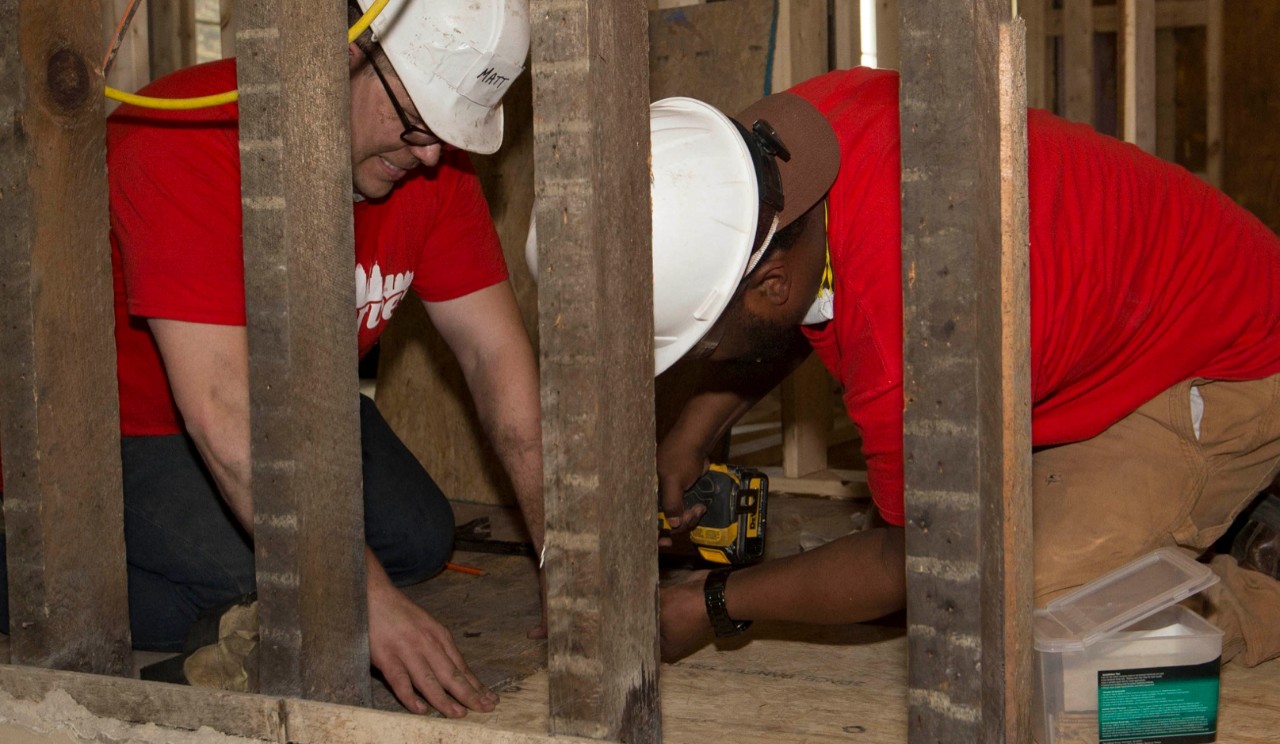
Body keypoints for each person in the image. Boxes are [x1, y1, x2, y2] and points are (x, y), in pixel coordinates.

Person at [0, 0, 542, 719]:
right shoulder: (180, 135)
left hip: (288, 403)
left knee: (417, 538)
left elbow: (494, 359)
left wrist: (569, 564)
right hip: (110, 433)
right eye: (416, 121)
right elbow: (224, 408)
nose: (433, 154)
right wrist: (360, 601)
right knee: (274, 589)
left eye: (448, 131)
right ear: (344, 54)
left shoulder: (435, 167)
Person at [647, 67, 1280, 668]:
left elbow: (917, 559)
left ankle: (1259, 590)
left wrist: (711, 603)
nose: (704, 362)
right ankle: (1234, 512)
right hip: (1141, 326)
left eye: (704, 344)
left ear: (771, 285)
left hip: (1223, 368)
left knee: (1011, 616)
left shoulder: (915, 338)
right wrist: (691, 436)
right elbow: (798, 300)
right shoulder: (790, 145)